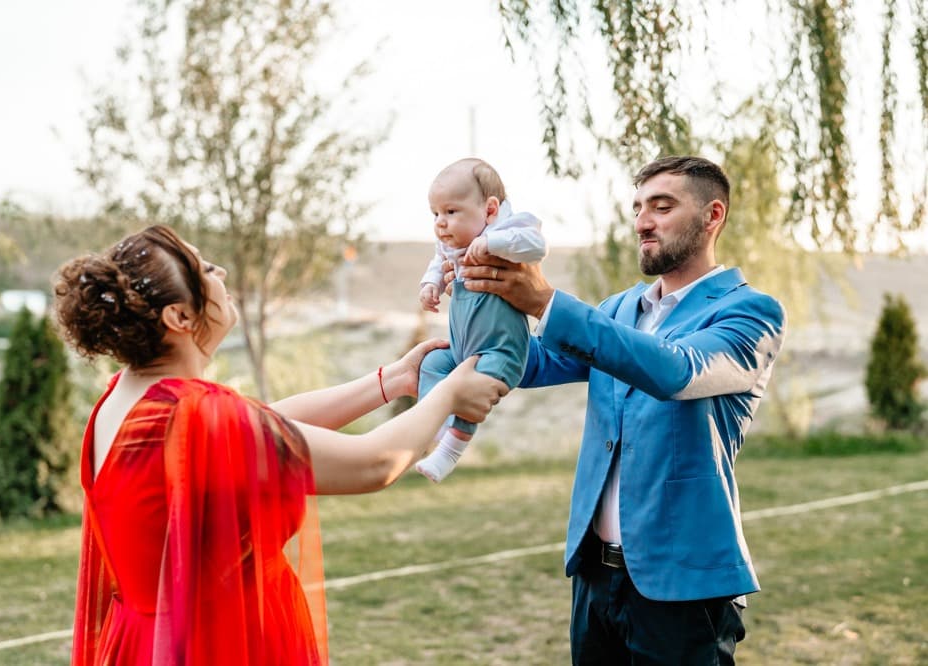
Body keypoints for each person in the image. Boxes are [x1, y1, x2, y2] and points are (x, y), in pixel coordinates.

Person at [53, 225, 507, 666]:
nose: (222, 274)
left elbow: (263, 425)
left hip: (149, 644)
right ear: (179, 317)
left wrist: (392, 381)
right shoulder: (200, 415)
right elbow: (373, 464)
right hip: (225, 643)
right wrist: (449, 395)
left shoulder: (124, 398)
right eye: (206, 269)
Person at [453, 156, 787, 663]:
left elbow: (675, 371)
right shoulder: (618, 309)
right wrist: (471, 326)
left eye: (662, 206)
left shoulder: (750, 312)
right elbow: (532, 365)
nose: (643, 221)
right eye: (637, 208)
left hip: (684, 587)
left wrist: (546, 302)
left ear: (712, 215)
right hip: (594, 578)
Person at [414, 157, 546, 482]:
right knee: (431, 362)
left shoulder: (507, 232)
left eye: (450, 212)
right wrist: (432, 284)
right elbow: (437, 261)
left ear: (489, 211)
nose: (440, 223)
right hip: (462, 348)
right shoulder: (451, 247)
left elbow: (536, 246)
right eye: (435, 214)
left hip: (500, 353)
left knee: (469, 387)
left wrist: (491, 243)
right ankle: (433, 424)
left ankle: (450, 452)